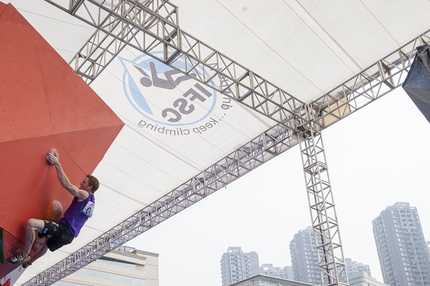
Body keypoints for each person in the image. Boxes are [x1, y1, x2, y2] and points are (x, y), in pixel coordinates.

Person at [7, 150, 99, 266]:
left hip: (64, 229)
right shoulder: (92, 202)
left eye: (84, 182)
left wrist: (57, 163)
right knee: (46, 245)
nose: (81, 183)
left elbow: (67, 185)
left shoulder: (85, 195)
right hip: (69, 237)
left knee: (31, 224)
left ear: (90, 187)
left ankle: (24, 256)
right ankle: (29, 263)